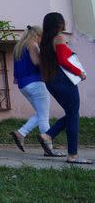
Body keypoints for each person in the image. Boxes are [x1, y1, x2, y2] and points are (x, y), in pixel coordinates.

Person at [39, 12, 90, 164]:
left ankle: (48, 136)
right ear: (59, 23)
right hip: (63, 80)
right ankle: (72, 155)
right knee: (73, 115)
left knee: (71, 113)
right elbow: (62, 60)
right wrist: (79, 72)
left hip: (51, 81)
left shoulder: (45, 41)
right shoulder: (59, 38)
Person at [11, 25, 60, 156]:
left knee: (40, 113)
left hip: (24, 85)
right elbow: (37, 62)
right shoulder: (32, 45)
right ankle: (49, 148)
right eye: (41, 37)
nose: (41, 40)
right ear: (37, 35)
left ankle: (21, 133)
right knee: (44, 116)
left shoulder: (18, 47)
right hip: (36, 83)